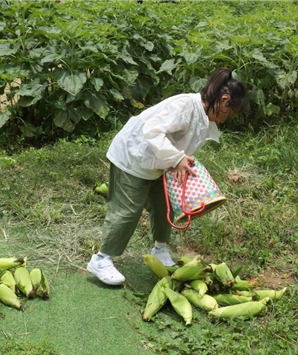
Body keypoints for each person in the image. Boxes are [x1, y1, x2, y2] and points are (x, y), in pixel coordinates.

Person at [87, 67, 248, 285]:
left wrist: (180, 161)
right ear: (224, 99)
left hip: (159, 164)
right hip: (133, 155)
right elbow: (152, 131)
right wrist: (177, 159)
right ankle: (101, 259)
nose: (224, 119)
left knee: (165, 207)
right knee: (127, 210)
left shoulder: (203, 116)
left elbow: (181, 145)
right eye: (228, 112)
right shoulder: (184, 106)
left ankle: (160, 250)